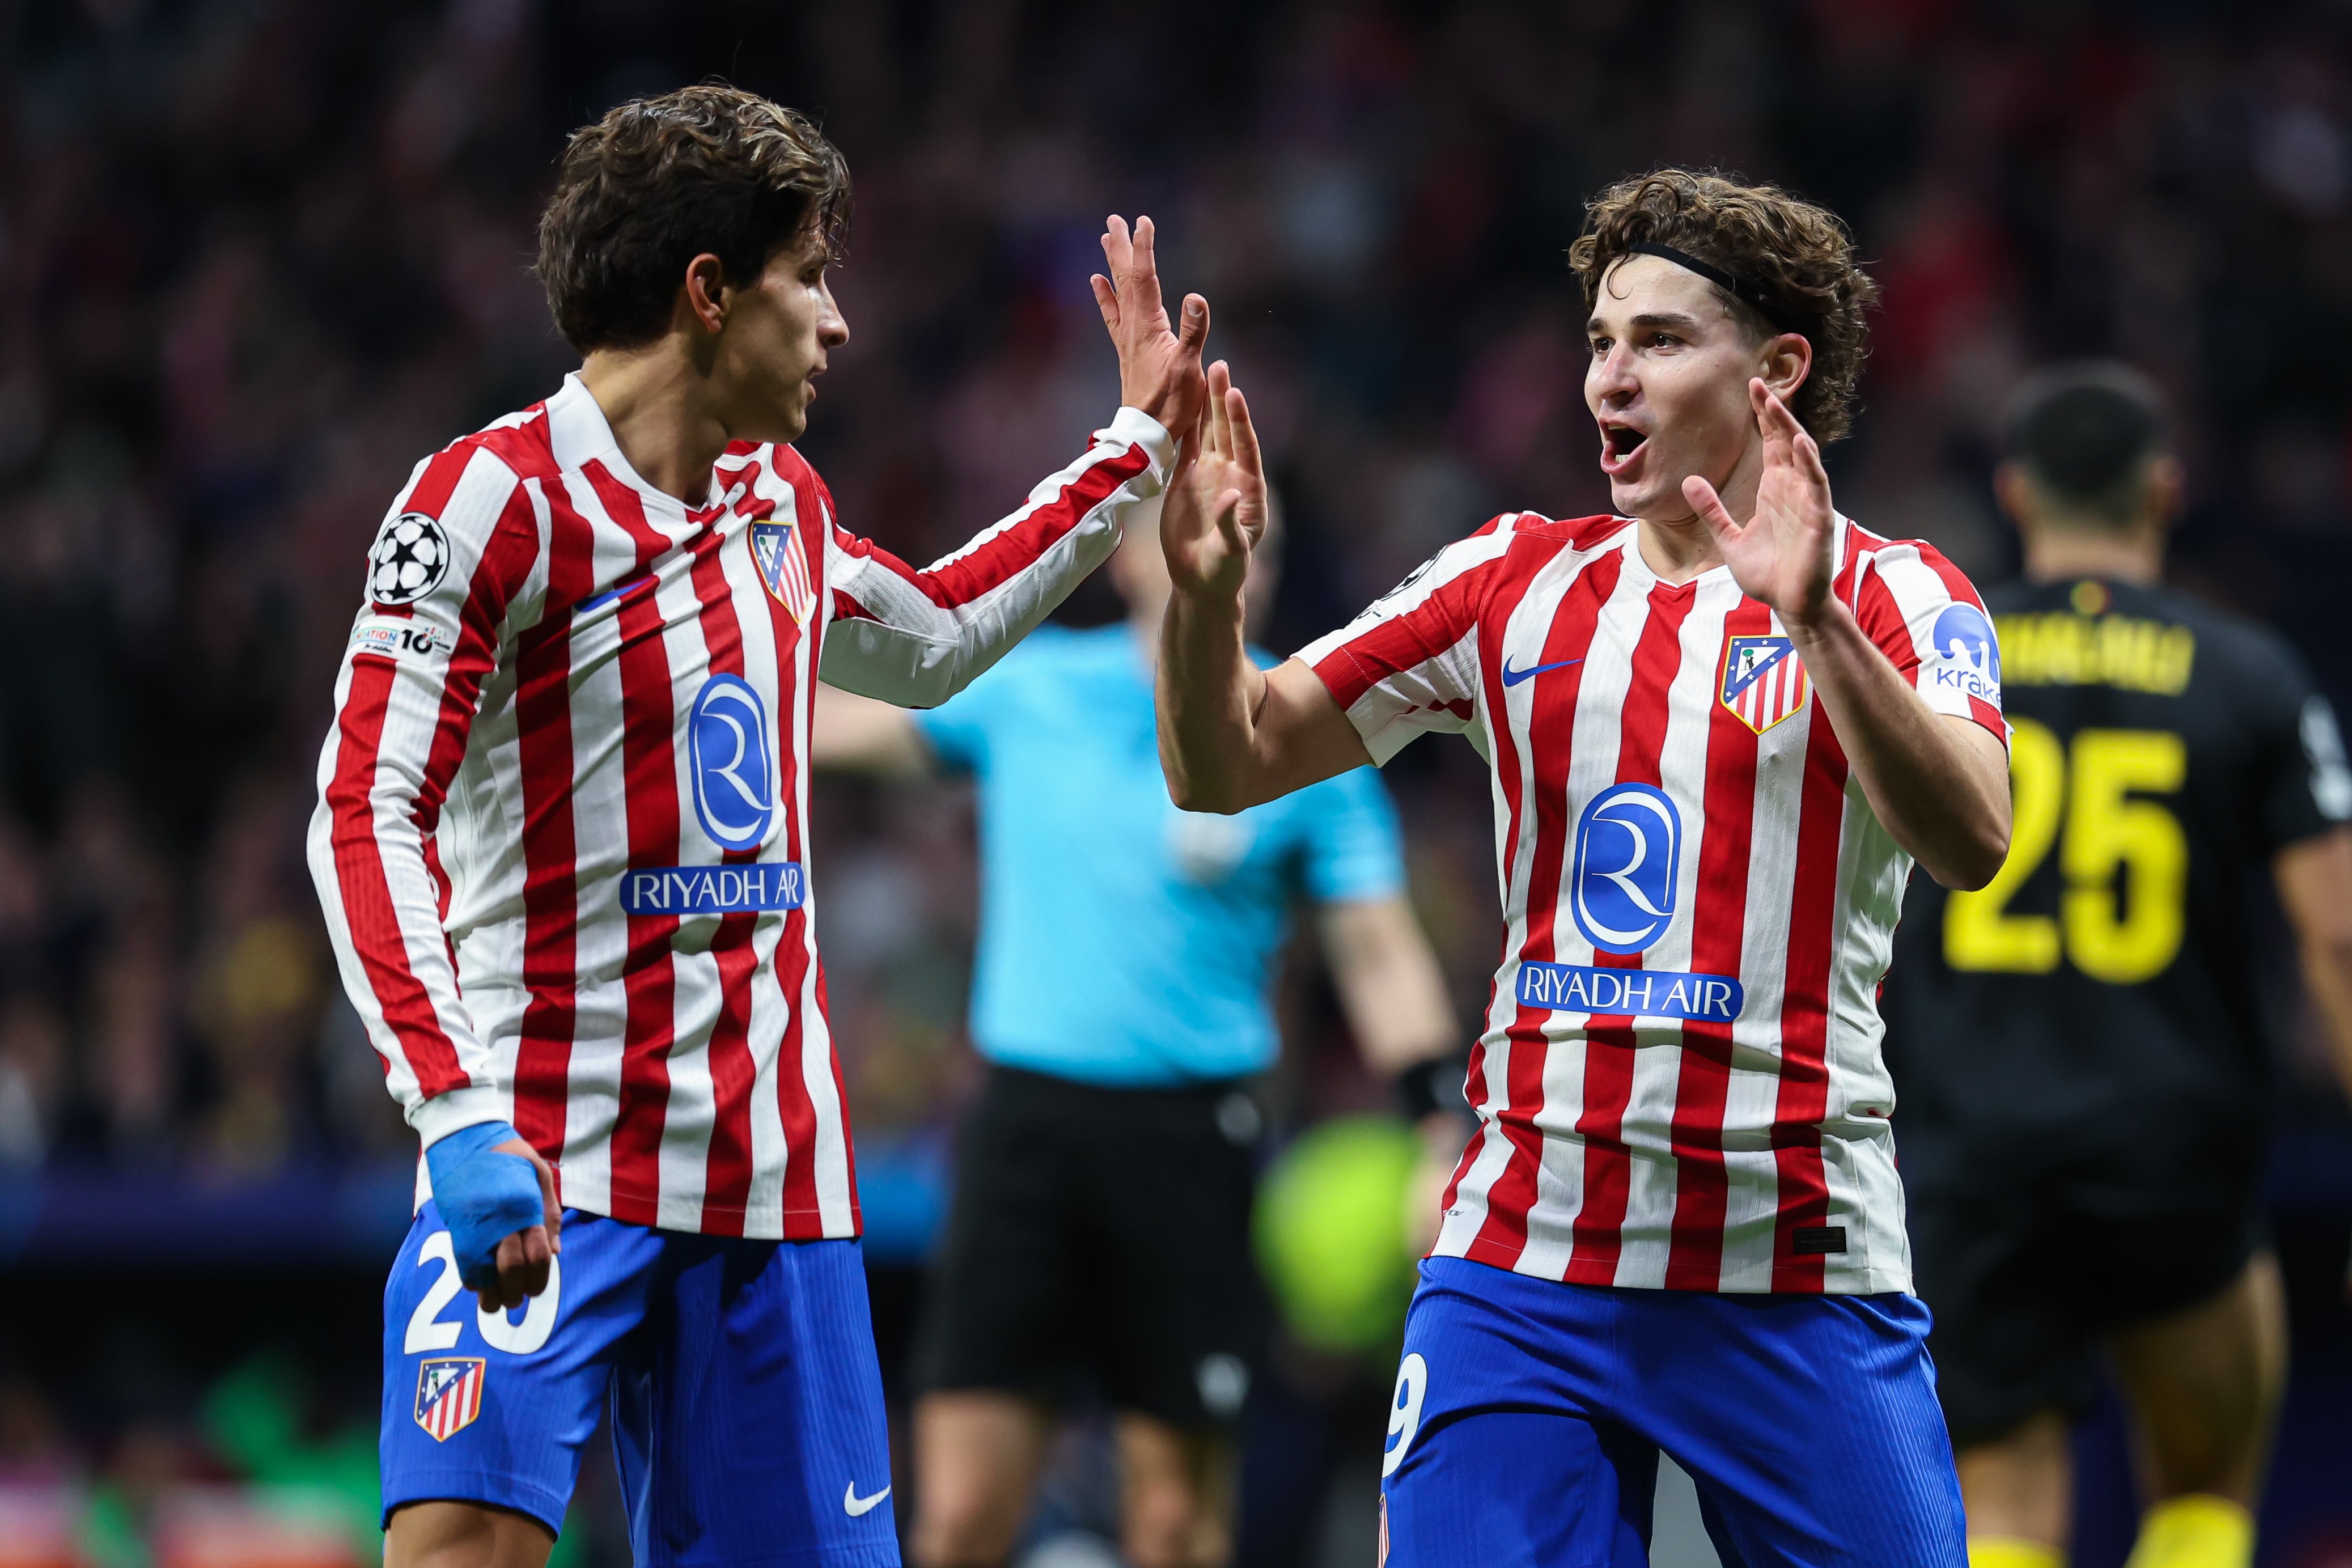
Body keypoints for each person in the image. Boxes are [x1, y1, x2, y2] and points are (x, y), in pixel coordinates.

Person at [306, 84, 1211, 1568]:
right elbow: (362, 806)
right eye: (809, 276)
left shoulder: (773, 502)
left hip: (771, 1187)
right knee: (459, 1540)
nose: (838, 323)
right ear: (709, 294)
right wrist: (454, 1104)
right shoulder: (487, 504)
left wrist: (1129, 449)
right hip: (543, 1144)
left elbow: (923, 636)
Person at [1152, 168, 2016, 1566]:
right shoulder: (1509, 580)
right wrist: (1203, 606)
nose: (1607, 376)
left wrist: (1812, 625)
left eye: (1660, 341)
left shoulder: (1898, 593)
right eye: (1600, 342)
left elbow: (1974, 838)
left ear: (1775, 371)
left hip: (1789, 1259)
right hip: (1526, 1263)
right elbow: (1223, 762)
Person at [810, 495, 1461, 1568]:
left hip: (1190, 1143)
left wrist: (1436, 1119)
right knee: (960, 1517)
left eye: (1259, 545)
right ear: (1125, 566)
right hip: (1024, 1133)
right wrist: (672, 665)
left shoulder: (1302, 736)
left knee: (1175, 1525)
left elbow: (1379, 950)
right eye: (1201, 536)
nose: (1229, 562)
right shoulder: (1027, 692)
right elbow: (828, 727)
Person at [1879, 365, 2352, 1568]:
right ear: (2163, 490)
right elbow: (2337, 934)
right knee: (2202, 1488)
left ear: (2012, 495)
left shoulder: (1934, 672)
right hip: (2173, 1142)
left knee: (1999, 1509)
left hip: (1973, 1151)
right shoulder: (2247, 674)